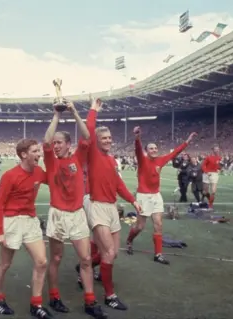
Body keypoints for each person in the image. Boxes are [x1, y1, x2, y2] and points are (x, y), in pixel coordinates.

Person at [42, 101, 106, 318]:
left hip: (77, 214)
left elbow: (88, 137)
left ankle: (90, 302)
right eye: (55, 143)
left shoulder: (78, 157)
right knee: (57, 258)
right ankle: (54, 296)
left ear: (69, 144)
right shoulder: (51, 160)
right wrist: (57, 116)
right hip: (57, 215)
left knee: (86, 260)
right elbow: (46, 140)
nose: (56, 145)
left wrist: (75, 112)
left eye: (60, 142)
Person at [85, 98, 141, 311]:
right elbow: (89, 131)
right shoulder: (93, 154)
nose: (108, 140)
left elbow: (118, 184)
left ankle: (86, 268)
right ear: (97, 140)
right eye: (104, 138)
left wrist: (133, 200)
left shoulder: (111, 159)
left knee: (113, 253)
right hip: (97, 207)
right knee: (108, 252)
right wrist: (93, 110)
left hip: (111, 208)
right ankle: (110, 296)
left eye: (110, 137)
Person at [0, 139, 53, 319]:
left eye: (38, 151)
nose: (38, 154)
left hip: (31, 220)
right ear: (24, 154)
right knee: (4, 264)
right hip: (12, 221)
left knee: (41, 262)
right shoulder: (10, 176)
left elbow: (56, 179)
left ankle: (36, 304)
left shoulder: (39, 171)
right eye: (35, 151)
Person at [126, 127, 196, 264]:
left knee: (158, 224)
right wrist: (137, 137)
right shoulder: (142, 159)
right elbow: (137, 149)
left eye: (155, 148)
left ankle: (158, 254)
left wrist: (187, 141)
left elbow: (176, 152)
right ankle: (129, 240)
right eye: (151, 148)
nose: (154, 150)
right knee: (140, 226)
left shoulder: (161, 160)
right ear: (147, 151)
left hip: (156, 196)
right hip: (143, 196)